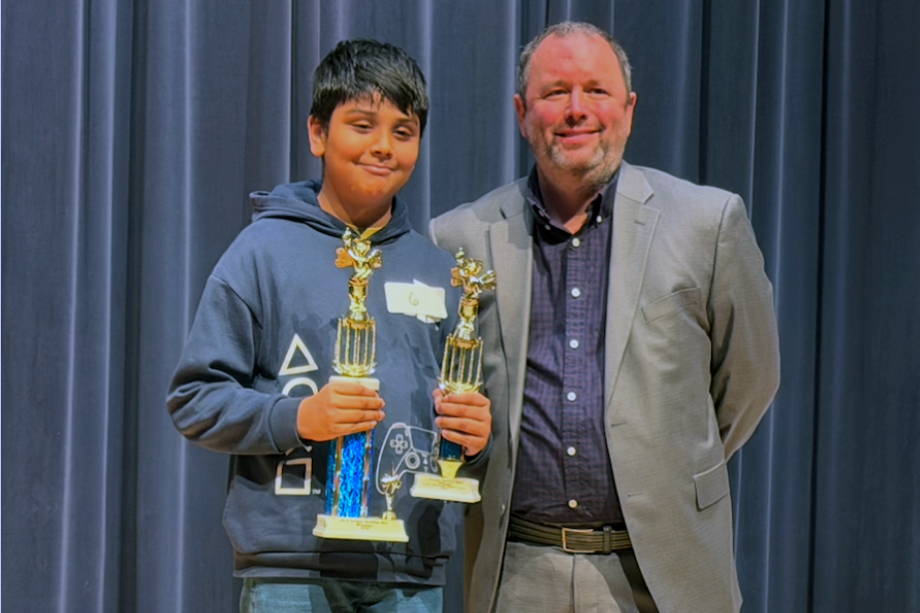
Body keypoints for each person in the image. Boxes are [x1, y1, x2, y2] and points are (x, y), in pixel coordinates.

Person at [429, 21, 780, 613]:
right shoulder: (459, 237)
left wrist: (668, 459)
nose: (575, 110)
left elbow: (750, 379)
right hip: (516, 571)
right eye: (554, 92)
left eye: (596, 90)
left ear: (630, 108)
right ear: (521, 112)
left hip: (663, 574)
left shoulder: (708, 223)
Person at [168, 39, 491, 613]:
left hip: (410, 569)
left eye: (403, 130)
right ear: (318, 134)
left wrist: (472, 435)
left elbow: (465, 421)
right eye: (362, 125)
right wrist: (298, 418)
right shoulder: (261, 253)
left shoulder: (443, 272)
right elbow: (195, 399)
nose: (382, 147)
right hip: (291, 567)